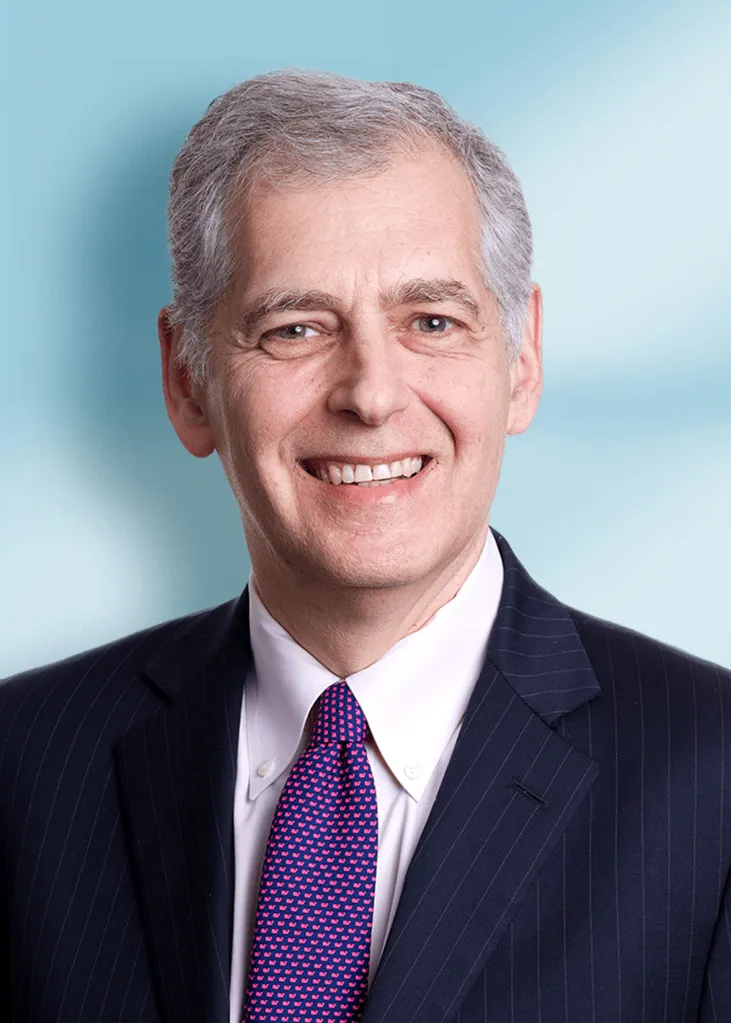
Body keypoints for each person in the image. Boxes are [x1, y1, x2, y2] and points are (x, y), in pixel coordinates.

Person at [1, 68, 729, 1023]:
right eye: (295, 328)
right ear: (186, 381)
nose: (372, 394)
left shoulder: (711, 780)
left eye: (431, 321)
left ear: (521, 360)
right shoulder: (26, 766)